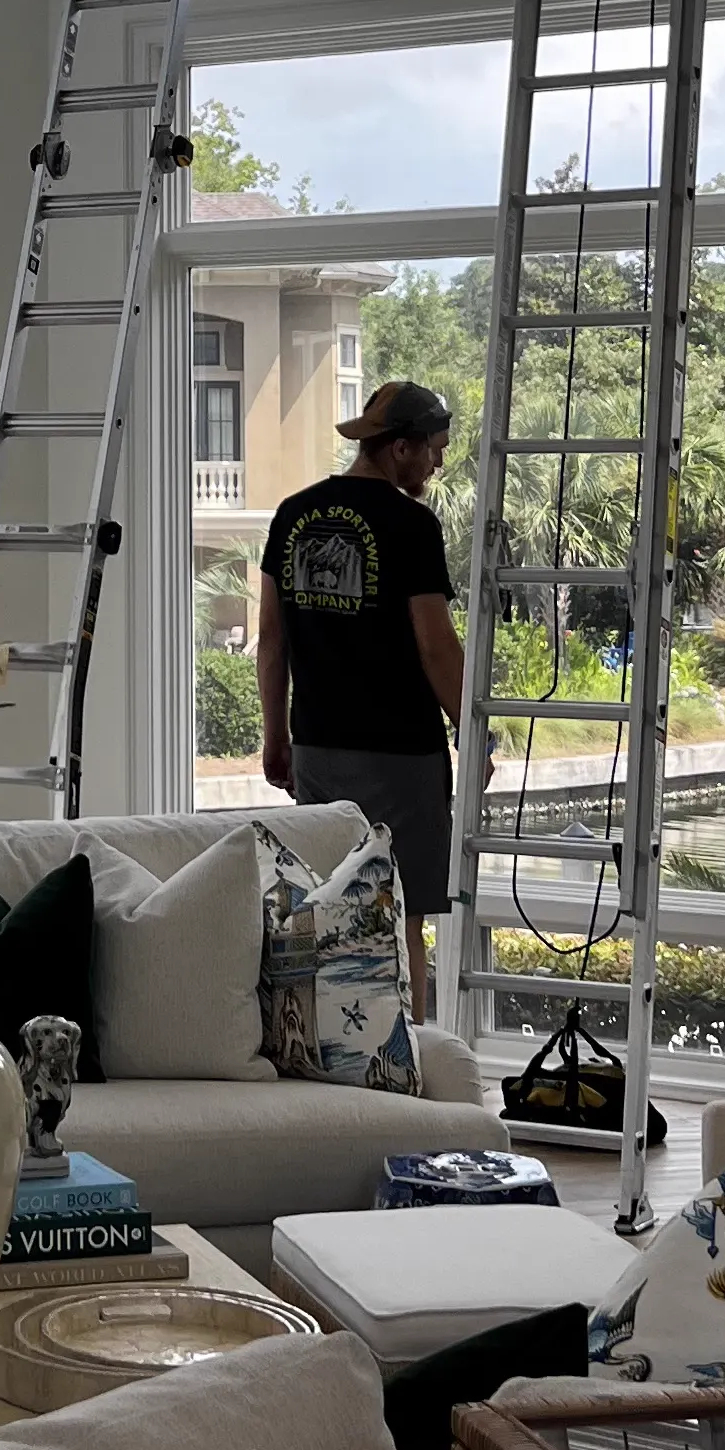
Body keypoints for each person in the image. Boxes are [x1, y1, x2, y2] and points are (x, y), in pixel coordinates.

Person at [255, 380, 465, 1018]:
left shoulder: (294, 514)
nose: (437, 463)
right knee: (400, 920)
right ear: (400, 448)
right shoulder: (411, 523)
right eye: (433, 449)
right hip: (401, 755)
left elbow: (271, 642)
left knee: (325, 913)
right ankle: (409, 1070)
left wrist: (276, 737)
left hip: (319, 748)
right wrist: (473, 730)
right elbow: (435, 647)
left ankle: (329, 1061)